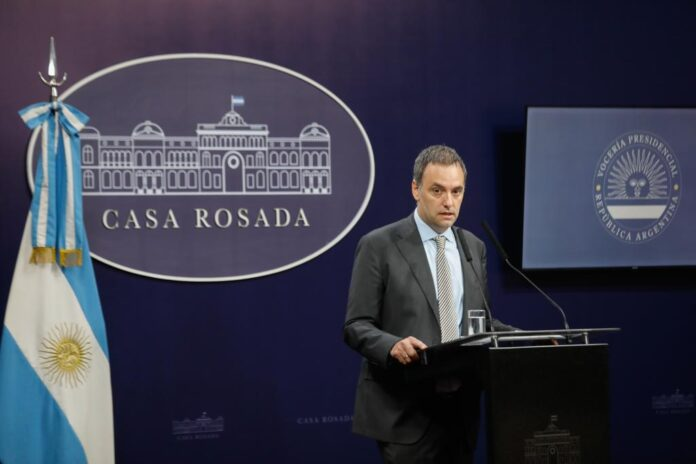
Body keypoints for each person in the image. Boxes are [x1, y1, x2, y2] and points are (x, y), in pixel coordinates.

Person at [343, 145, 514, 464]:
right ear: (415, 189)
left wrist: (527, 340)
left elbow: (482, 324)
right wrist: (392, 346)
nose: (449, 202)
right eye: (437, 190)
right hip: (405, 410)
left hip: (461, 411)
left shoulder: (473, 247)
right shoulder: (379, 245)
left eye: (456, 191)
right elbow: (356, 326)